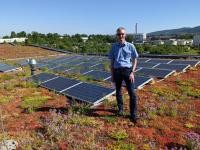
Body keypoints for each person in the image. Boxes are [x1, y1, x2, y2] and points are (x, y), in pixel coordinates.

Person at [108, 27, 139, 123]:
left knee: (132, 94)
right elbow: (112, 62)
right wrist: (112, 76)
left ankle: (133, 114)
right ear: (116, 35)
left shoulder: (131, 46)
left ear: (125, 35)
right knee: (118, 91)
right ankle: (120, 109)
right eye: (119, 34)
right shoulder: (113, 47)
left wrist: (132, 72)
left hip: (128, 71)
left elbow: (135, 60)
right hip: (117, 71)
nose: (120, 36)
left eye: (122, 34)